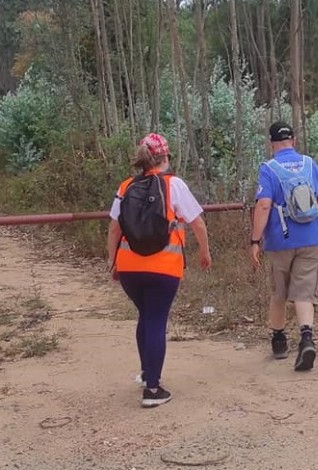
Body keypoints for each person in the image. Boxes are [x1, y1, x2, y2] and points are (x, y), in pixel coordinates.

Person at [107, 133, 212, 408]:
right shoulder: (173, 185)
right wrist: (205, 252)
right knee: (156, 319)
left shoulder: (126, 186)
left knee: (146, 316)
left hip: (129, 267)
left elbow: (115, 228)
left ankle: (146, 373)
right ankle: (153, 390)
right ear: (166, 157)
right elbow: (197, 223)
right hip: (164, 266)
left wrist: (112, 260)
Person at [249, 122, 318, 372]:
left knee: (279, 291)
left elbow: (263, 205)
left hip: (280, 240)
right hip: (312, 239)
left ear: (271, 144)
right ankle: (306, 338)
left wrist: (255, 240)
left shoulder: (269, 169)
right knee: (304, 292)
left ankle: (279, 340)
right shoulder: (309, 164)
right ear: (293, 140)